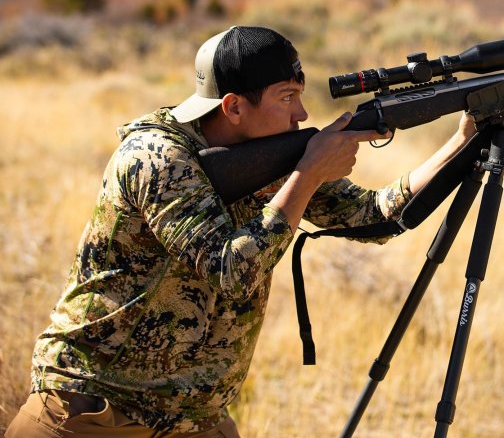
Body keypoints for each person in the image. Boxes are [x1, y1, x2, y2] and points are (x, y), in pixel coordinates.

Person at [6, 26, 476, 437]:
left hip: (192, 419)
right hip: (94, 413)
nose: (302, 115)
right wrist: (308, 175)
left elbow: (375, 216)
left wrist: (465, 140)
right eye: (286, 97)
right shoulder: (156, 157)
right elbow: (229, 269)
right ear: (232, 106)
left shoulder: (275, 153)